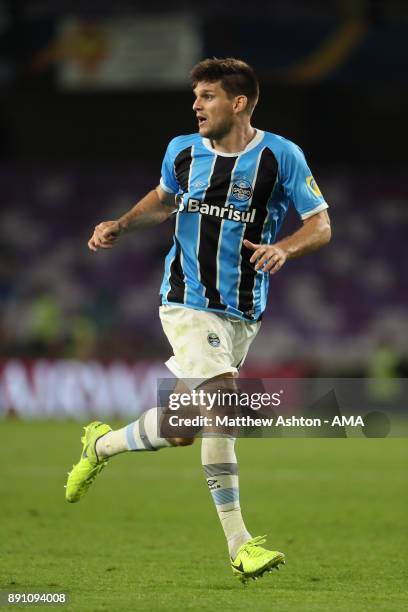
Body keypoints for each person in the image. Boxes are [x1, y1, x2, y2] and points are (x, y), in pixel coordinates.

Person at [65, 58, 331, 583]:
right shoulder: (182, 150)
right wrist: (121, 224)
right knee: (225, 403)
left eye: (207, 96)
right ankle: (240, 544)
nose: (196, 105)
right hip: (186, 300)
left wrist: (285, 248)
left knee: (185, 427)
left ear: (238, 103)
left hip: (243, 311)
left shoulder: (282, 157)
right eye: (195, 96)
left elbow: (320, 224)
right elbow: (164, 200)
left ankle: (99, 444)